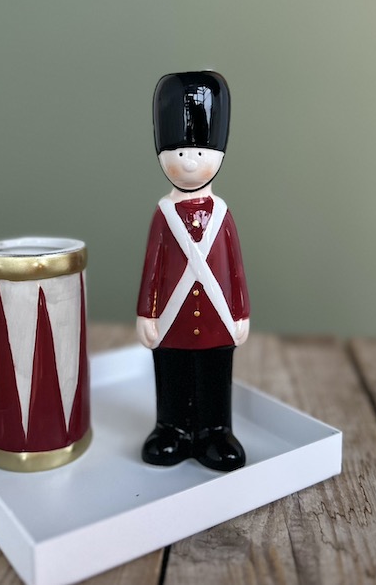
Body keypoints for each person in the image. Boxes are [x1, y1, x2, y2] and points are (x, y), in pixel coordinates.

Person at [136, 71, 250, 472]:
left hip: (217, 320)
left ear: (218, 155)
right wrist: (147, 313)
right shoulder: (163, 214)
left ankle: (214, 431)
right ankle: (172, 428)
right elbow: (152, 267)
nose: (188, 162)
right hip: (173, 320)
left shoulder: (221, 214)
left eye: (200, 153)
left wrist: (240, 312)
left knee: (215, 374)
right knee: (172, 372)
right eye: (179, 152)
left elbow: (235, 269)